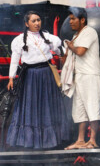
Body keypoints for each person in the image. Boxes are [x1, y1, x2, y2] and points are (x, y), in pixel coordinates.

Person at [6, 10, 70, 149]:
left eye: (39, 20)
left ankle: (50, 140)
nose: (37, 23)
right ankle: (30, 140)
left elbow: (59, 50)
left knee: (47, 105)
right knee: (31, 106)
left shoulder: (48, 37)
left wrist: (63, 54)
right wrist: (11, 78)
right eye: (33, 21)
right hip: (29, 76)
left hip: (46, 75)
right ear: (27, 23)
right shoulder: (19, 40)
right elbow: (15, 60)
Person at [63, 7, 100, 150]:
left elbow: (80, 51)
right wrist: (66, 52)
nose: (70, 22)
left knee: (92, 107)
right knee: (79, 109)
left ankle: (92, 140)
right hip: (78, 76)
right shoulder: (75, 36)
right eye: (70, 19)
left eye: (73, 19)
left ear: (82, 20)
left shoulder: (90, 32)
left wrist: (70, 47)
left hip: (90, 75)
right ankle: (80, 140)